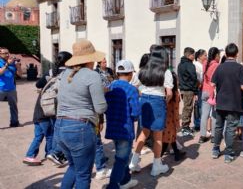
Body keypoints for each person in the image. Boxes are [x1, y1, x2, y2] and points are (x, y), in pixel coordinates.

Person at [55, 39, 107, 188]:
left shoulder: (65, 74)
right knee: (83, 174)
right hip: (80, 128)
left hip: (60, 126)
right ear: (90, 58)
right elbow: (100, 108)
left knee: (73, 167)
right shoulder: (92, 75)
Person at [129, 45, 173, 177]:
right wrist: (164, 101)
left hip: (145, 101)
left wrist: (142, 95)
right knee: (158, 136)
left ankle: (134, 162)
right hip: (158, 101)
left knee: (143, 132)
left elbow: (134, 86)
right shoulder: (166, 71)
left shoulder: (143, 69)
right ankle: (157, 165)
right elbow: (169, 92)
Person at [23, 51, 72, 166]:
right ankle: (50, 153)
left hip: (40, 106)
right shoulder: (68, 73)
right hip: (51, 109)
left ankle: (33, 155)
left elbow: (38, 84)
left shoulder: (51, 71)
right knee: (51, 134)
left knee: (39, 134)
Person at [105, 60, 141, 189]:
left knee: (122, 155)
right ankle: (113, 185)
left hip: (113, 127)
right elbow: (135, 112)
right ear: (130, 73)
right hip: (125, 129)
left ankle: (126, 180)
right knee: (121, 159)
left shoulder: (110, 87)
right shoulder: (132, 89)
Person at [211, 43, 243, 163]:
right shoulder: (240, 68)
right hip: (234, 102)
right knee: (231, 128)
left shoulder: (219, 67)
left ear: (226, 54)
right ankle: (228, 153)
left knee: (218, 126)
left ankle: (215, 150)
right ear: (237, 54)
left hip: (220, 101)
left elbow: (212, 84)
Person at [161, 71, 186, 161]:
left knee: (171, 138)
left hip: (163, 119)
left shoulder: (163, 91)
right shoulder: (175, 94)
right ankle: (158, 158)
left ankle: (176, 154)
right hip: (171, 120)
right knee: (167, 140)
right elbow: (175, 110)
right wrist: (177, 124)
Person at [199, 47, 220, 144]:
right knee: (214, 115)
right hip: (213, 92)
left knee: (204, 115)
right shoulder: (216, 65)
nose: (219, 57)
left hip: (204, 91)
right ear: (216, 55)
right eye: (218, 55)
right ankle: (214, 136)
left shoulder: (205, 63)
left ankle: (202, 135)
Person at [178, 47, 198, 136]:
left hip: (183, 89)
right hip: (189, 89)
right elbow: (194, 78)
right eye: (193, 55)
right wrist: (196, 91)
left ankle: (185, 126)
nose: (194, 57)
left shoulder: (180, 64)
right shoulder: (190, 65)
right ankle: (185, 127)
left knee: (186, 107)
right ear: (189, 55)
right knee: (188, 108)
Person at [0, 47, 22, 127]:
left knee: (13, 106)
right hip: (1, 88)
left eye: (8, 53)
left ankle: (14, 122)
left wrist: (18, 66)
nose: (7, 55)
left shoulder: (12, 62)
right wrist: (7, 64)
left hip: (11, 89)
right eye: (4, 53)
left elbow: (20, 74)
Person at [193, 49, 207, 132]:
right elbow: (196, 78)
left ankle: (200, 123)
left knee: (201, 106)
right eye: (205, 55)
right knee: (198, 106)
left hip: (202, 88)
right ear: (199, 56)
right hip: (198, 88)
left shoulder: (202, 65)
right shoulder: (196, 65)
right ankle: (198, 124)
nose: (206, 57)